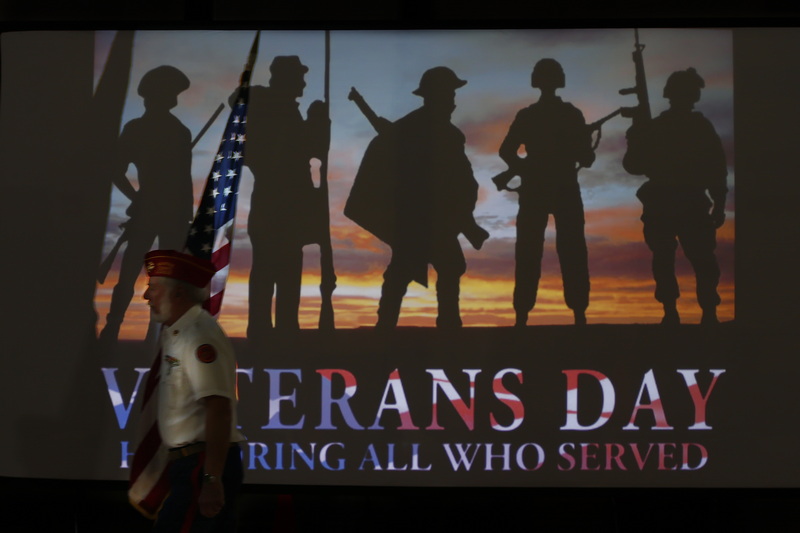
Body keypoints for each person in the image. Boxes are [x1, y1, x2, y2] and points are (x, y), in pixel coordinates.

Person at [348, 66, 488, 329]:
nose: (453, 101)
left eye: (453, 95)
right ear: (436, 96)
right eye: (449, 94)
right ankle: (391, 327)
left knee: (444, 267)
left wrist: (464, 215)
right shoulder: (418, 129)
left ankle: (443, 324)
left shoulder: (449, 133)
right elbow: (390, 140)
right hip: (419, 218)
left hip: (439, 219)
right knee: (408, 270)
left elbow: (460, 178)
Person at [143, 250, 244, 532]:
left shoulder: (198, 336)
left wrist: (211, 479)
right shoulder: (179, 334)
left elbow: (218, 408)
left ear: (177, 293)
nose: (146, 297)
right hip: (191, 466)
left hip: (200, 465)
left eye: (153, 288)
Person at [623, 68, 728, 325]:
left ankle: (697, 312)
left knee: (693, 259)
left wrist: (719, 202)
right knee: (672, 258)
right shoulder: (673, 127)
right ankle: (676, 311)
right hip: (673, 201)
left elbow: (716, 167)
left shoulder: (677, 127)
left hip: (679, 201)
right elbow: (635, 165)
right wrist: (637, 132)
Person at [99, 66, 194, 345]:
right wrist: (138, 197)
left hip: (172, 213)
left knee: (167, 279)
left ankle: (158, 334)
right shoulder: (140, 129)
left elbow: (183, 180)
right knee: (129, 272)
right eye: (169, 93)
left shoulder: (178, 131)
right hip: (154, 210)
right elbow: (115, 170)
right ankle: (112, 329)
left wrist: (184, 217)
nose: (172, 98)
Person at [499, 58, 595, 326]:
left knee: (531, 250)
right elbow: (587, 159)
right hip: (560, 186)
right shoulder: (571, 114)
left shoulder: (528, 115)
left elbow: (506, 151)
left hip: (540, 187)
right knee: (571, 250)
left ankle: (523, 315)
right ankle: (578, 314)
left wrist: (525, 168)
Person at [239, 56, 329, 337]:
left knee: (288, 270)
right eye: (299, 77)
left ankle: (285, 331)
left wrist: (317, 123)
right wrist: (313, 125)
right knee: (269, 268)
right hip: (274, 200)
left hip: (294, 202)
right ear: (285, 78)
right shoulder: (267, 105)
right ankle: (264, 333)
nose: (303, 82)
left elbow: (314, 151)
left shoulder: (287, 110)